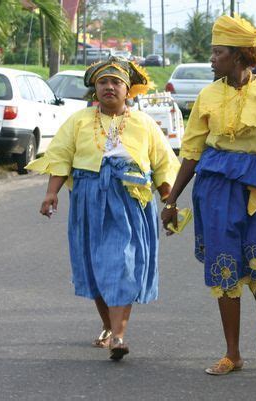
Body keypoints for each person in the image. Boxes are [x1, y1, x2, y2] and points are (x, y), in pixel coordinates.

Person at [161, 14, 256, 375]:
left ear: (239, 56)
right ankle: (232, 353)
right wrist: (172, 199)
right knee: (225, 268)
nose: (212, 59)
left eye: (218, 52)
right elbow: (190, 151)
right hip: (217, 189)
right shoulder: (207, 95)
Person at [27, 57, 180, 361]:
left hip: (131, 203)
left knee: (122, 263)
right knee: (95, 267)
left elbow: (163, 164)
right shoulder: (79, 120)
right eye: (103, 82)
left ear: (128, 90)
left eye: (116, 82)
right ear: (95, 90)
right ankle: (110, 325)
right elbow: (60, 156)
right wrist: (51, 193)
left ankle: (119, 335)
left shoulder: (144, 123)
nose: (109, 87)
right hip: (89, 199)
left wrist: (169, 201)